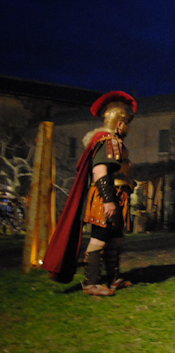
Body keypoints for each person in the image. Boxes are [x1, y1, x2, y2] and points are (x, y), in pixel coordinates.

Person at [42, 91, 137, 296]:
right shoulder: (108, 141)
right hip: (105, 196)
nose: (128, 128)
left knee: (115, 238)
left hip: (118, 195)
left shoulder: (112, 141)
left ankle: (113, 278)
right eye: (127, 123)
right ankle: (92, 283)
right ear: (119, 124)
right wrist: (108, 200)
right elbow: (99, 171)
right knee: (99, 238)